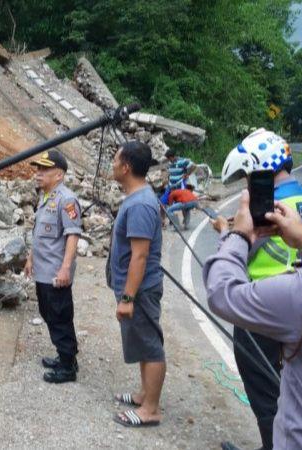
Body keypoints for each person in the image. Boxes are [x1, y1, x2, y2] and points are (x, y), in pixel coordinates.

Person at [218, 128, 302, 449]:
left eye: (248, 176)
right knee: (290, 387)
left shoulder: (267, 208)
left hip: (261, 308)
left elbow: (241, 249)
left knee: (263, 391)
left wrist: (231, 233)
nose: (247, 183)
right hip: (300, 303)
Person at [204, 191, 302, 450]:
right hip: (279, 307)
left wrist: (233, 235)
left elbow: (221, 292)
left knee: (262, 389)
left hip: (267, 304)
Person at [106, 141, 166, 428]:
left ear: (126, 167)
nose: (113, 164)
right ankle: (145, 395)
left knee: (150, 344)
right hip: (135, 289)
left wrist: (127, 298)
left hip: (140, 290)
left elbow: (140, 256)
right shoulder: (136, 197)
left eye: (115, 160)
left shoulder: (141, 204)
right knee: (143, 342)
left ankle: (151, 410)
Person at [23, 150, 83, 384]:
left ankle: (68, 367)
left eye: (44, 170)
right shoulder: (46, 197)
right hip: (43, 271)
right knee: (49, 313)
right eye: (37, 169)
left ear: (59, 174)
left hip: (56, 273)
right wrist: (30, 259)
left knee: (59, 316)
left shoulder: (67, 200)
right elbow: (40, 234)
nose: (38, 174)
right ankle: (65, 355)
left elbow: (72, 235)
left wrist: (66, 268)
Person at [159, 149, 196, 223]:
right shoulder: (169, 163)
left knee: (183, 203)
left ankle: (185, 220)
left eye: (170, 158)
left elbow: (193, 165)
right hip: (170, 186)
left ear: (173, 157)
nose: (169, 160)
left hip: (180, 186)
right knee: (162, 202)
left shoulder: (183, 161)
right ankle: (162, 221)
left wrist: (187, 174)